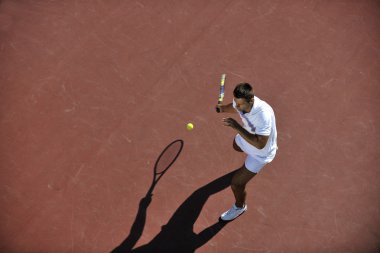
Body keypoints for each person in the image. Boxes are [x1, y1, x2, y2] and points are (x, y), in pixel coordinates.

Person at [215, 82, 278, 221]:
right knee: (236, 146)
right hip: (247, 137)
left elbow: (260, 144)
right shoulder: (241, 103)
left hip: (261, 153)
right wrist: (222, 109)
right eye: (236, 103)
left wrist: (237, 127)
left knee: (236, 183)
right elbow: (233, 106)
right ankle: (245, 169)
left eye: (240, 104)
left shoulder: (263, 115)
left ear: (251, 100)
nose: (238, 107)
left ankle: (240, 206)